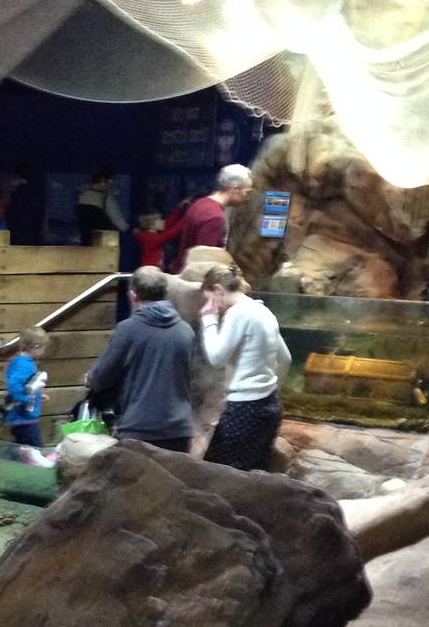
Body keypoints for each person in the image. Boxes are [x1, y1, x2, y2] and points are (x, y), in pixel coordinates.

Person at [84, 266, 195, 453]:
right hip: (179, 430)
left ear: (132, 295)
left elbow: (101, 378)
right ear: (166, 294)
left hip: (139, 428)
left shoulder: (127, 329)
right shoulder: (186, 330)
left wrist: (89, 378)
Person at [197, 264, 292, 471]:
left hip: (244, 410)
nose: (214, 308)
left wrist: (209, 320)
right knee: (254, 475)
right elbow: (286, 359)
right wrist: (269, 390)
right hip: (269, 407)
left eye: (210, 300)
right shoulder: (263, 310)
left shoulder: (238, 314)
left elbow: (216, 358)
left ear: (219, 291)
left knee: (222, 474)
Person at [175, 164, 254, 271]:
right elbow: (205, 265)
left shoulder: (200, 203)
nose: (247, 197)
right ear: (235, 189)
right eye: (247, 192)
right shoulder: (214, 217)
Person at [1, 326, 51, 452]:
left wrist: (38, 396)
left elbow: (25, 386)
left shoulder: (20, 361)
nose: (44, 351)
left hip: (22, 417)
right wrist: (26, 399)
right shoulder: (25, 365)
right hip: (24, 418)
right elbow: (14, 385)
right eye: (44, 348)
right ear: (36, 346)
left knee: (22, 445)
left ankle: (14, 457)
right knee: (35, 447)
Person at [0, 163, 45, 246]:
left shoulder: (10, 195)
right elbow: (42, 220)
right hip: (35, 241)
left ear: (17, 177)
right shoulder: (39, 195)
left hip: (15, 239)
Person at [76, 166, 129, 246]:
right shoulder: (106, 198)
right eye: (110, 180)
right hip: (104, 243)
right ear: (102, 180)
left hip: (86, 242)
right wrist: (131, 230)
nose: (112, 183)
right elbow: (120, 223)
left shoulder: (82, 196)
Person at [133, 201, 189, 269]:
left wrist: (179, 208)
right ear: (151, 225)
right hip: (150, 271)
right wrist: (189, 216)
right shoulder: (151, 239)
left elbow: (168, 222)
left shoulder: (151, 235)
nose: (163, 221)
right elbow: (173, 231)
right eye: (160, 220)